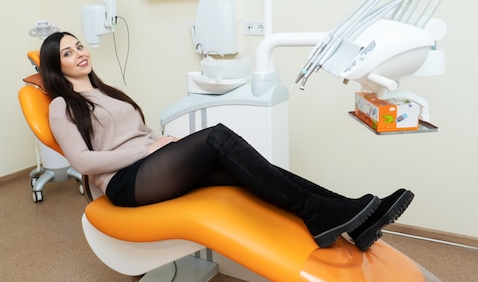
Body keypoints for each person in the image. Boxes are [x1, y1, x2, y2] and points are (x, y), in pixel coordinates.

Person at [40, 31, 414, 251]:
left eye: (79, 46)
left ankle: (351, 215)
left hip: (148, 166)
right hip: (124, 183)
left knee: (248, 169)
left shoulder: (109, 91)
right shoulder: (62, 104)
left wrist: (161, 141)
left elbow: (138, 132)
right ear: (57, 66)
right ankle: (323, 215)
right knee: (218, 137)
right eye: (67, 53)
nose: (79, 54)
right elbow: (84, 162)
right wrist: (149, 149)